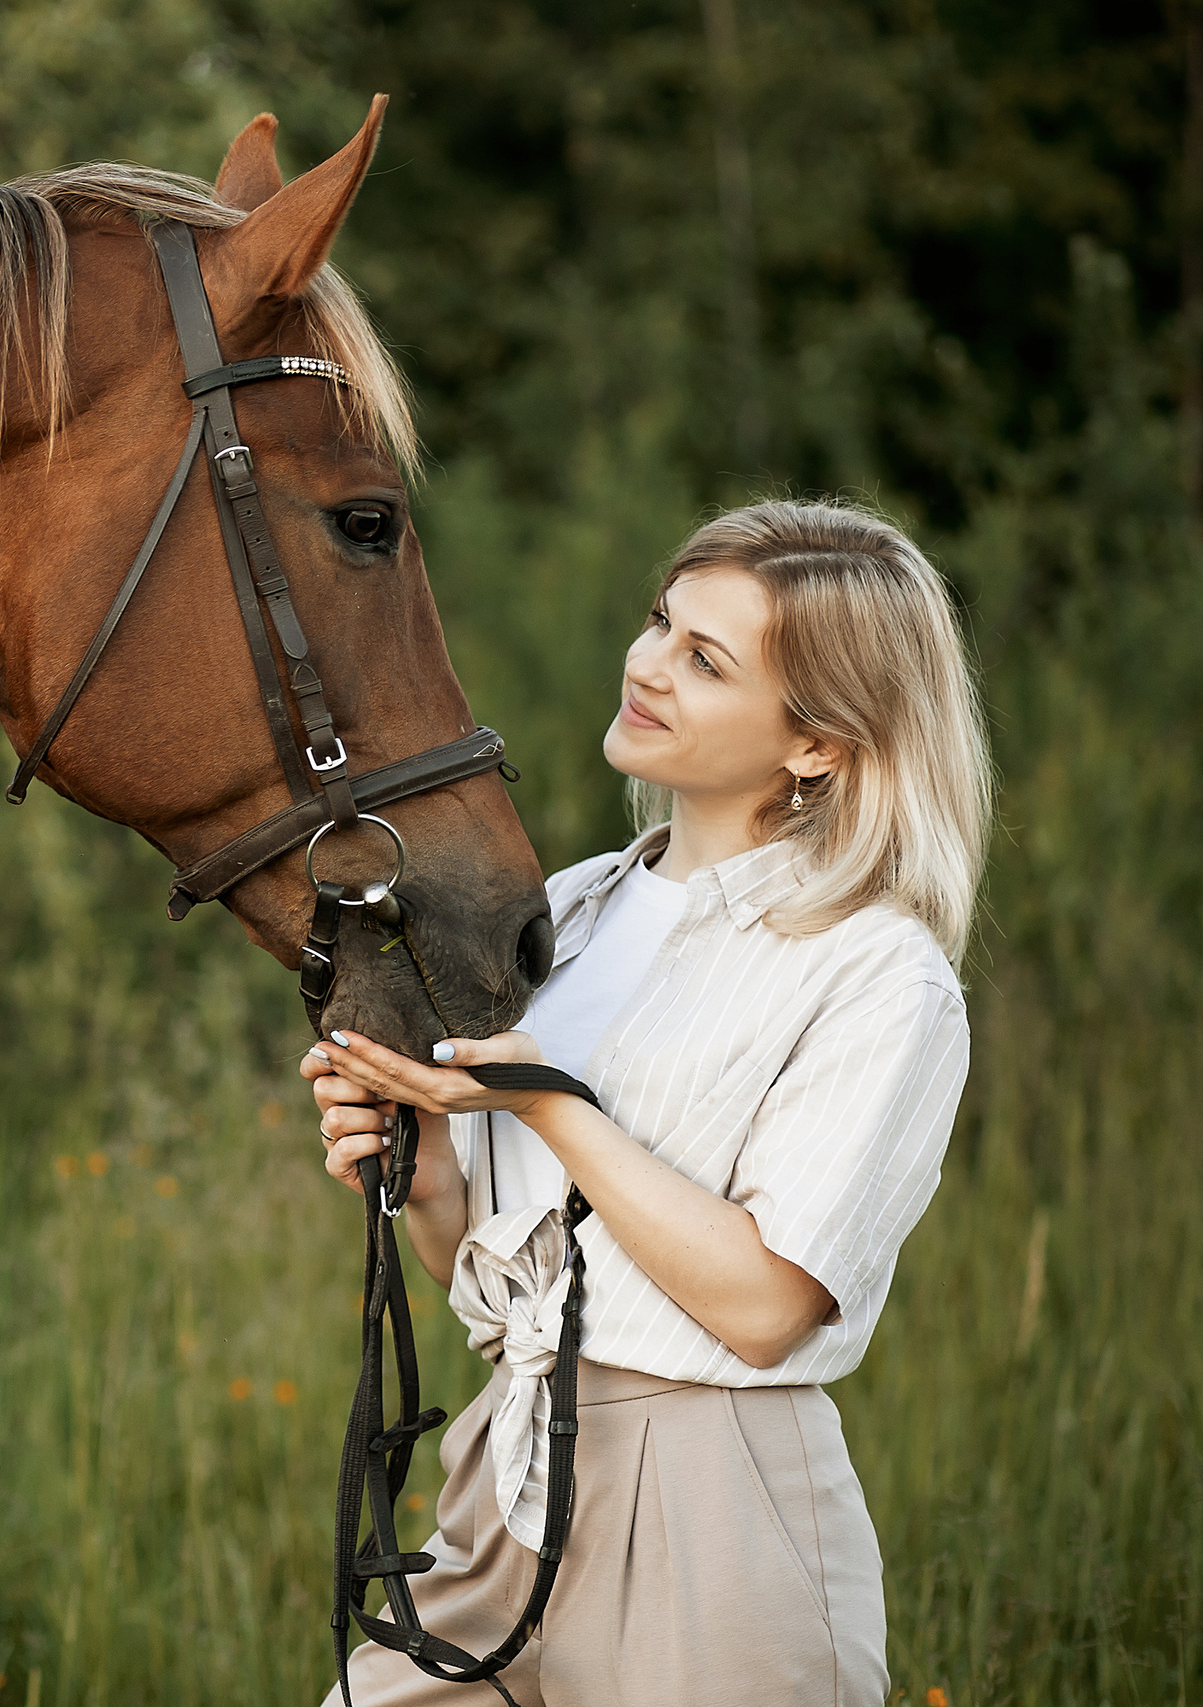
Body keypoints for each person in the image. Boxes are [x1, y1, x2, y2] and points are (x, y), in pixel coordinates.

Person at [301, 500, 991, 1707]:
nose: (648, 664)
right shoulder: (566, 912)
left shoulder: (878, 973)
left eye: (705, 661)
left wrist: (548, 1107)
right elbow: (485, 1261)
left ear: (817, 743)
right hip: (504, 1478)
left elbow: (766, 1308)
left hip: (708, 1510)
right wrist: (421, 1156)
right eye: (660, 621)